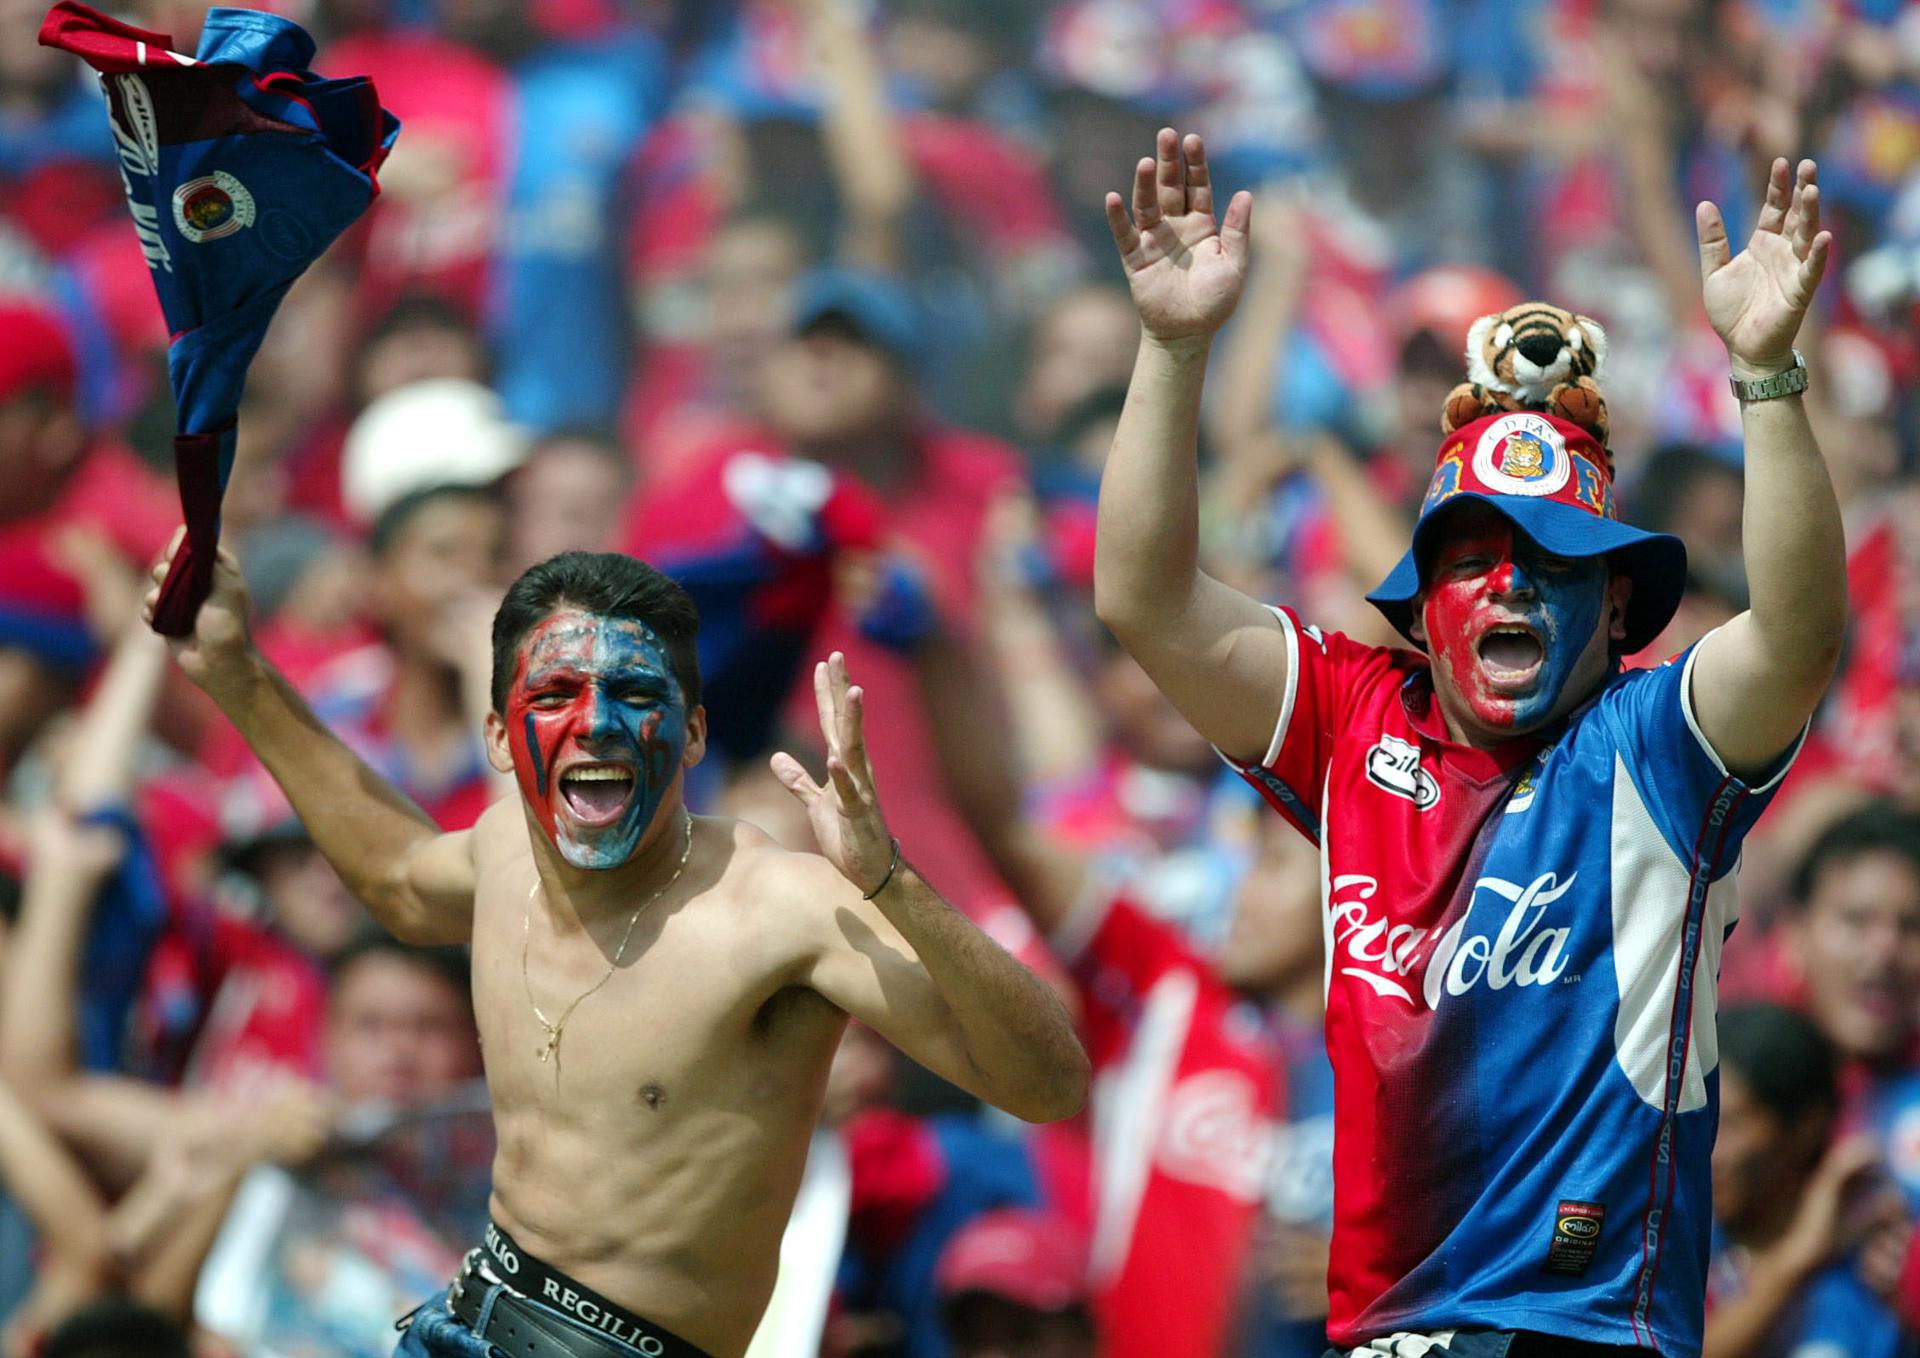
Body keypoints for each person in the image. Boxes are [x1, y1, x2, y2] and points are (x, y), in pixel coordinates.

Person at [1095, 127, 1844, 1356]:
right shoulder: (1351, 716)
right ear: (1422, 606)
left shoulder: (1656, 740)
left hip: (1587, 1331)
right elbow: (1142, 597)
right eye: (1475, 561)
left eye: (1556, 565)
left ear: (1615, 608)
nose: (1512, 590)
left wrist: (1765, 376)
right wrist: (1174, 348)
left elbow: (1801, 633)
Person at [141, 541, 1088, 1358]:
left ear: (692, 733)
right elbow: (394, 877)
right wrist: (237, 672)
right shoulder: (508, 846)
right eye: (555, 694)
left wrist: (894, 884)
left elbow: (1048, 1087)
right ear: (499, 738)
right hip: (464, 1319)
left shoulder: (780, 909)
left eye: (637, 694)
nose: (596, 724)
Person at [1704, 1003, 1910, 1358]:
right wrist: (1799, 1256)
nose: (1709, 1150)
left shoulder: (1870, 1274)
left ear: (1806, 1128)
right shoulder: (1672, 1252)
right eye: (1701, 1122)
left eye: (1732, 1124)